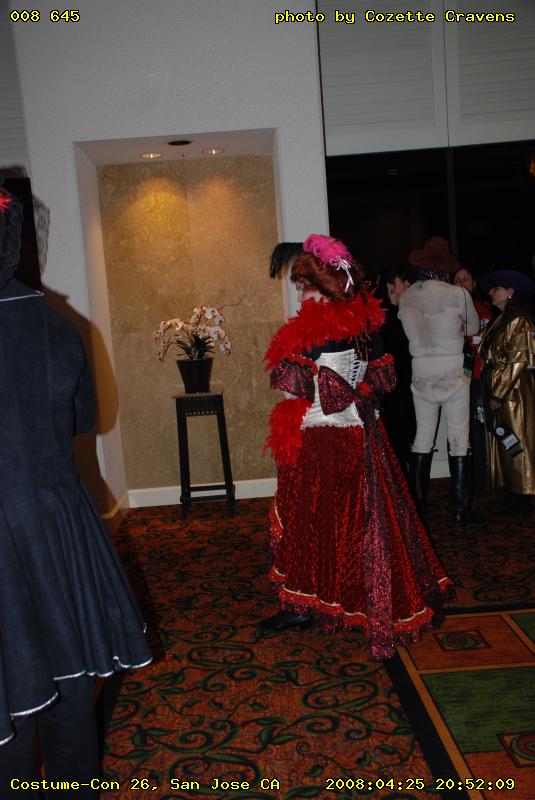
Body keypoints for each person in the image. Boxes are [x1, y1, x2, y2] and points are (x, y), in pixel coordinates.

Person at [0, 187, 151, 795]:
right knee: (68, 680)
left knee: (10, 701)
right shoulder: (59, 327)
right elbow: (86, 419)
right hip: (56, 524)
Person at [261, 234, 453, 660]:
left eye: (304, 287)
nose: (300, 295)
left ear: (324, 288)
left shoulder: (309, 334)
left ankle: (304, 604)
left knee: (310, 521)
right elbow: (382, 381)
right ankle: (343, 599)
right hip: (361, 434)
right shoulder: (366, 325)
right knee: (357, 525)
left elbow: (291, 390)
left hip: (321, 437)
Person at [398, 237, 483, 529]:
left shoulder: (407, 296)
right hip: (453, 372)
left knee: (423, 436)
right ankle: (460, 513)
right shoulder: (458, 294)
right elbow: (473, 328)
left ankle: (418, 510)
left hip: (421, 372)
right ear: (446, 266)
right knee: (459, 438)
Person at [478, 269, 535, 515]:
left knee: (519, 438)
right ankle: (514, 490)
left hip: (516, 390)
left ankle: (526, 492)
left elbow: (517, 362)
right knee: (506, 438)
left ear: (510, 292)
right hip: (499, 388)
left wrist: (499, 393)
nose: (491, 292)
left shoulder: (520, 321)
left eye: (496, 288)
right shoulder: (500, 321)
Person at [453, 265, 493, 494]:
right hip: (455, 378)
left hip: (476, 378)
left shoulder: (482, 309)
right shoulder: (448, 309)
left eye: (466, 279)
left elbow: (485, 348)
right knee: (461, 429)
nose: (461, 284)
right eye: (457, 280)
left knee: (476, 428)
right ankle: (463, 479)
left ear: (474, 283)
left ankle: (480, 477)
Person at [379, 266, 416, 473]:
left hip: (407, 384)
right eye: (403, 280)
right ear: (390, 287)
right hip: (392, 390)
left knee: (409, 433)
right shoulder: (382, 317)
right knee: (396, 436)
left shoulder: (404, 313)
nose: (409, 284)